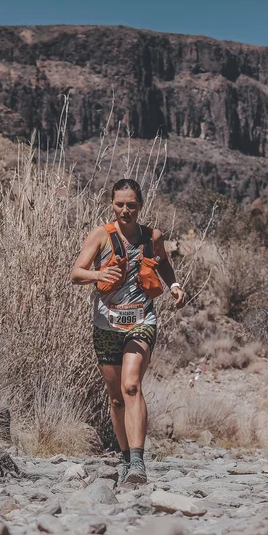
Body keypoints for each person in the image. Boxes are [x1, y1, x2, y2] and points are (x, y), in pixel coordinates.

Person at [70, 178, 187, 484]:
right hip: (106, 324)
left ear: (140, 206)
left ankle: (137, 462)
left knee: (131, 385)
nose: (125, 210)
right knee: (116, 399)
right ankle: (124, 459)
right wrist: (99, 274)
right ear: (112, 204)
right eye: (119, 204)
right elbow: (76, 273)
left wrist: (174, 285)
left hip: (141, 320)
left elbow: (163, 263)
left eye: (131, 205)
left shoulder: (152, 237)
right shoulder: (101, 235)